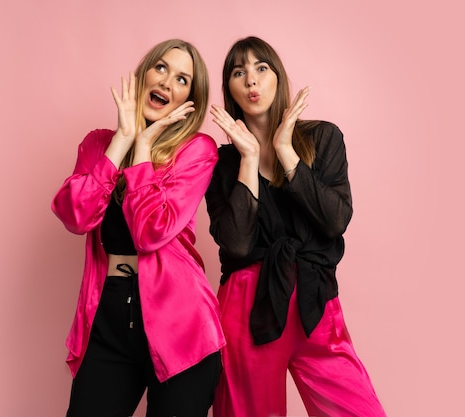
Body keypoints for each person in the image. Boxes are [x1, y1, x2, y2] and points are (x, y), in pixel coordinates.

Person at [205, 36, 386, 417]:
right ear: (231, 90)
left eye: (261, 68)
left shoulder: (323, 137)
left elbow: (336, 220)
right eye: (240, 73)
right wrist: (249, 158)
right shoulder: (223, 162)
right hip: (248, 307)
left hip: (314, 299)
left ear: (278, 77)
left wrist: (286, 151)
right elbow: (236, 245)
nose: (252, 81)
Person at [52, 39, 225, 417]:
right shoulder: (98, 144)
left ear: (188, 100)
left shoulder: (197, 150)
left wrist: (144, 148)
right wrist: (123, 142)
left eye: (182, 79)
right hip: (109, 316)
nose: (167, 82)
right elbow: (74, 215)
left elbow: (151, 232)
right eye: (161, 68)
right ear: (144, 74)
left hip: (181, 327)